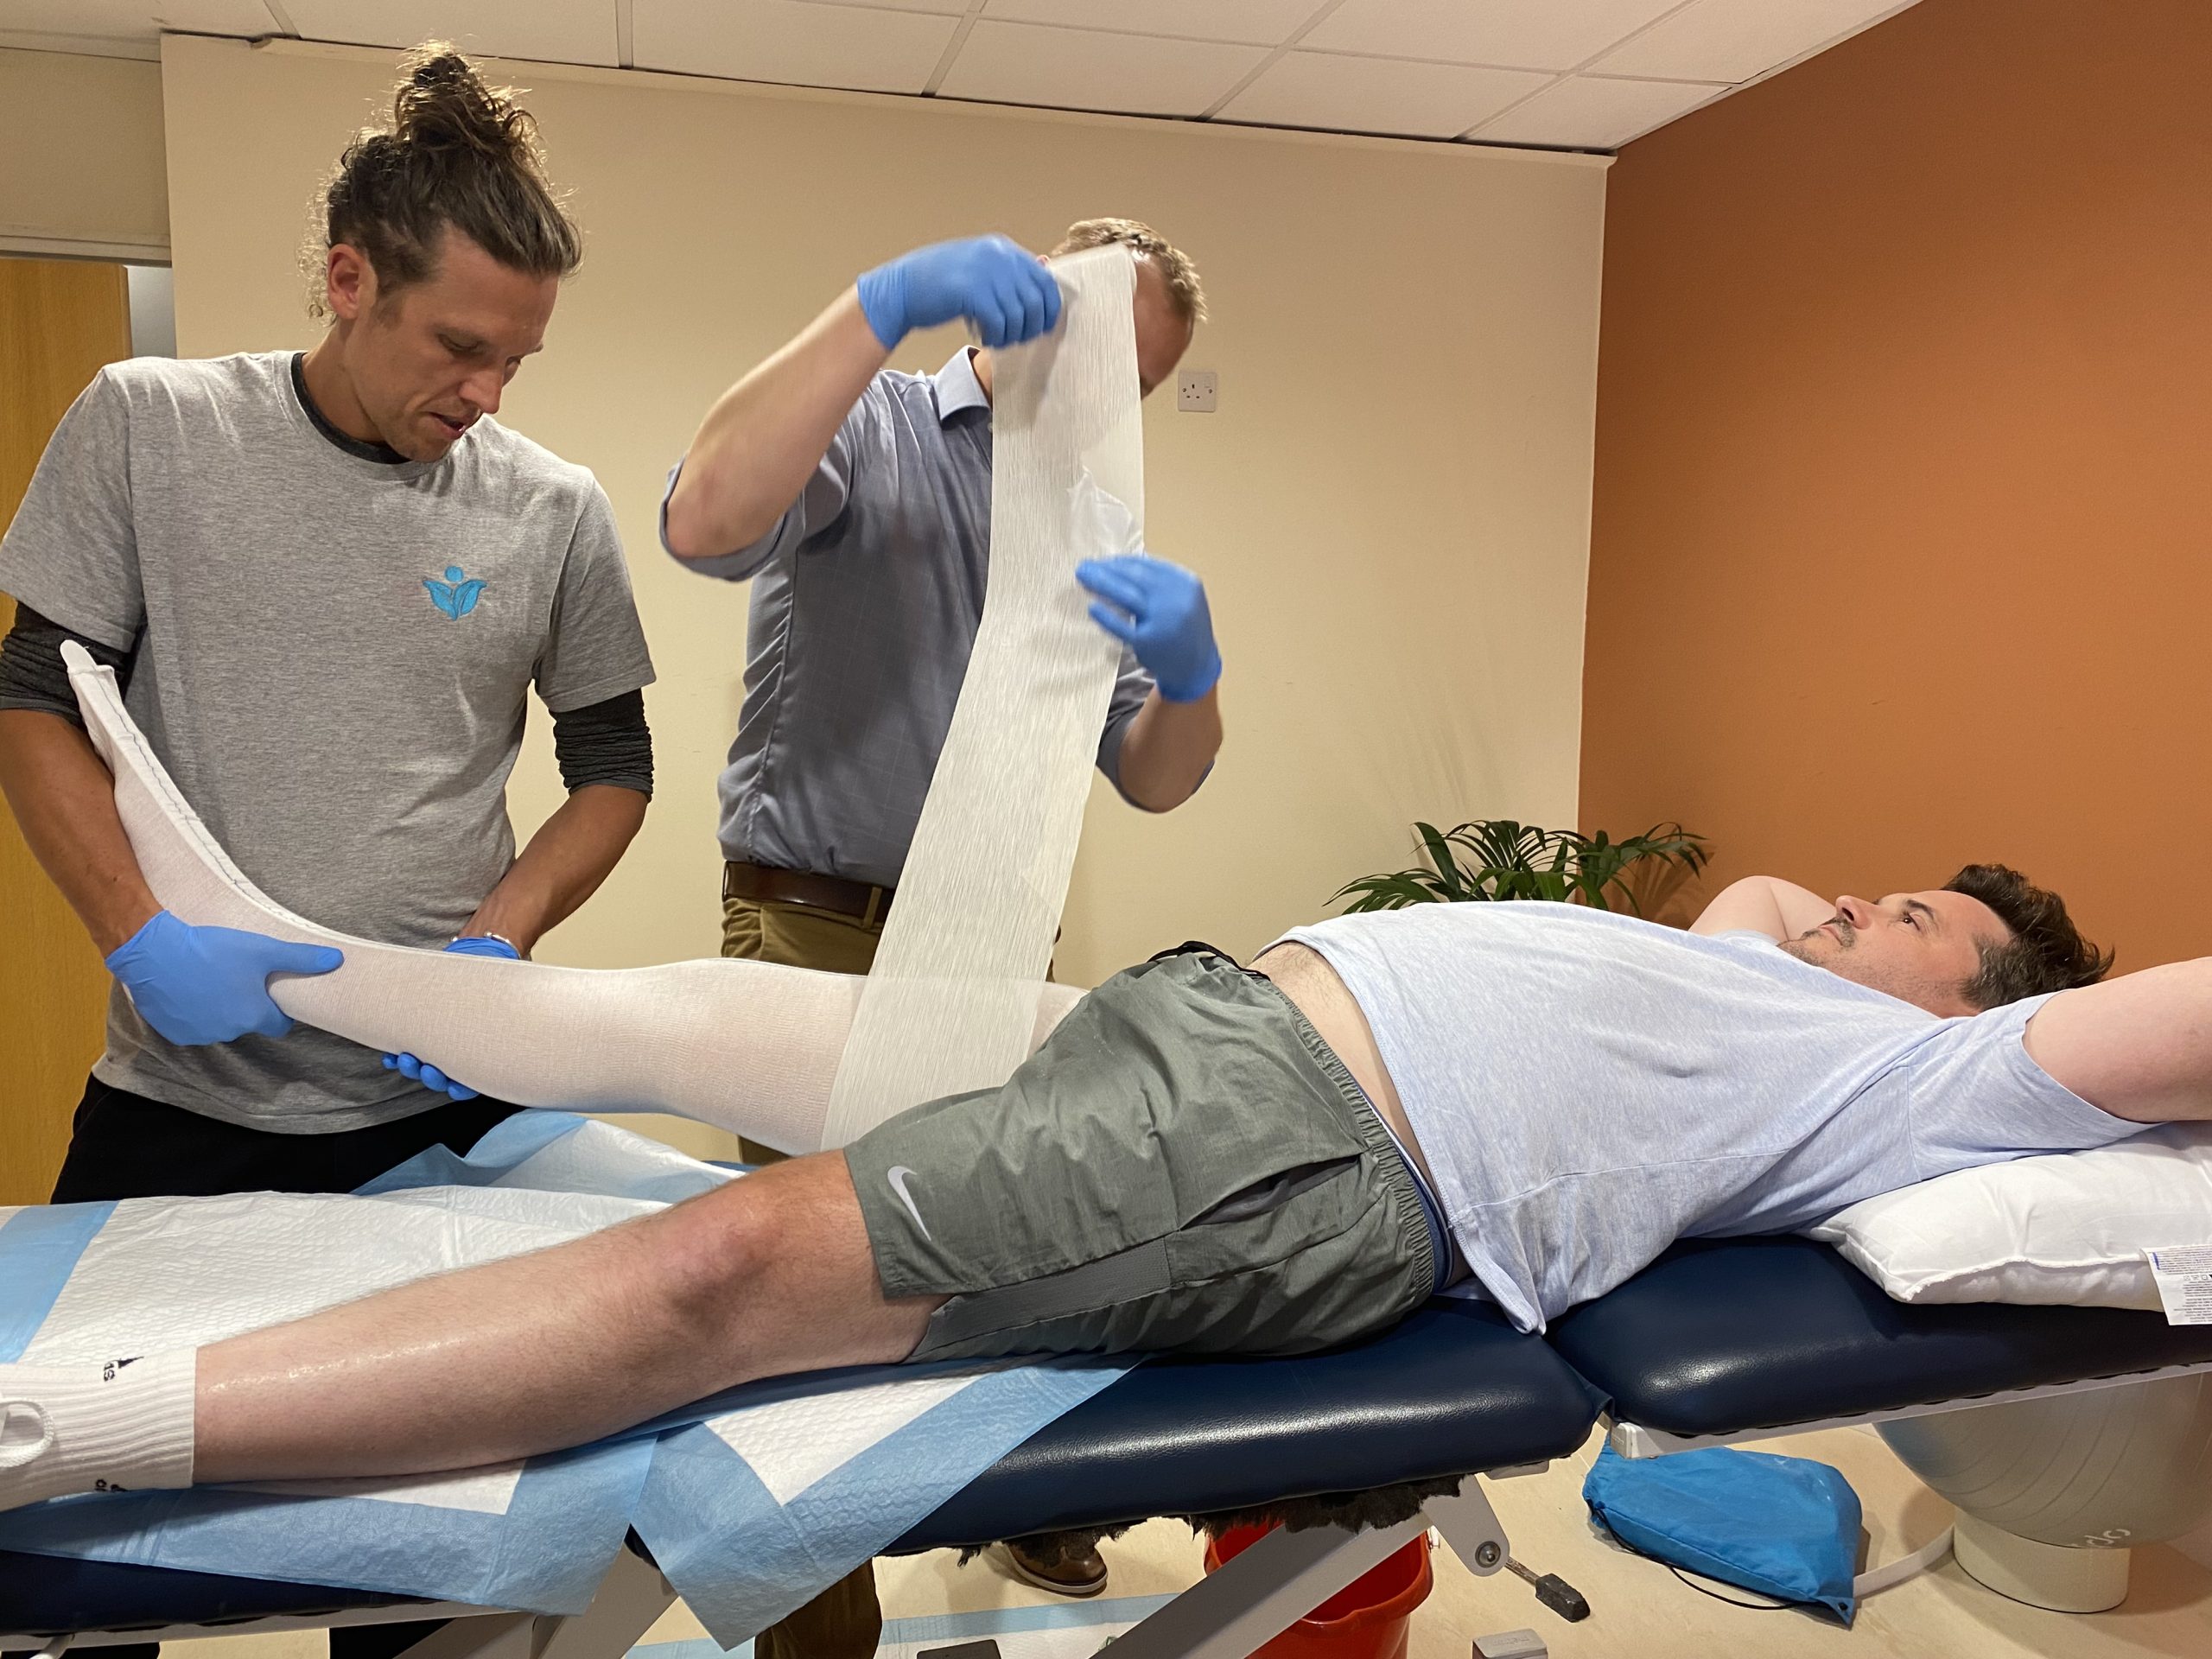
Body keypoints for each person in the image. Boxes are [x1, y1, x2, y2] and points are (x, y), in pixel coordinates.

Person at [9, 860, 2178, 1535]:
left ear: (1974, 1000)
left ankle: (51, 1425)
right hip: (1207, 1027)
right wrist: (1803, 919)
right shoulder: (1750, 962)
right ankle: (339, 972)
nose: (1859, 898)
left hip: (1308, 1141)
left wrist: (1956, 994)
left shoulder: (1927, 1071)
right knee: (681, 1033)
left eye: (1915, 908)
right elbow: (1753, 894)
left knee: (714, 1265)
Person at [0, 45, 654, 1659]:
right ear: (349, 279)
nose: (487, 395)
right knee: (79, 1538)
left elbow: (614, 768)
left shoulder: (549, 508)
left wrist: (498, 947)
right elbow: (29, 696)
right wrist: (140, 934)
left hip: (432, 1122)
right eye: (459, 347)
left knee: (430, 1566)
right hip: (178, 1108)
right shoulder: (150, 427)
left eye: (519, 360)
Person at [658, 217, 1224, 1614]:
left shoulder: (1097, 521)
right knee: (811, 1323)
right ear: (1029, 311)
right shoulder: (879, 425)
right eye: (1103, 364)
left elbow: (1156, 776)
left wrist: (1197, 679)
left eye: (1139, 393)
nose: (1111, 413)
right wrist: (878, 308)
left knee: (1011, 1267)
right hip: (820, 926)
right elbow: (704, 521)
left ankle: (1022, 1507)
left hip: (990, 949)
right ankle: (820, 1637)